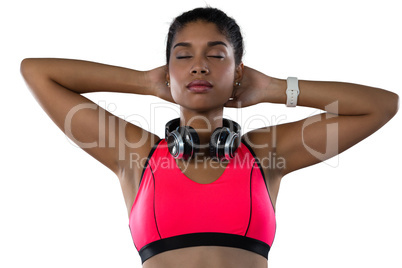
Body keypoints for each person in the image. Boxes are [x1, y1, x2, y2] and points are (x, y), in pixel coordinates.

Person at [20, 7, 398, 268]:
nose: (199, 64)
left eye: (216, 55)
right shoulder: (136, 154)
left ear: (239, 72)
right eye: (183, 56)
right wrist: (143, 82)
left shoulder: (266, 152)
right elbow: (36, 72)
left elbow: (380, 106)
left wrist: (274, 88)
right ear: (168, 70)